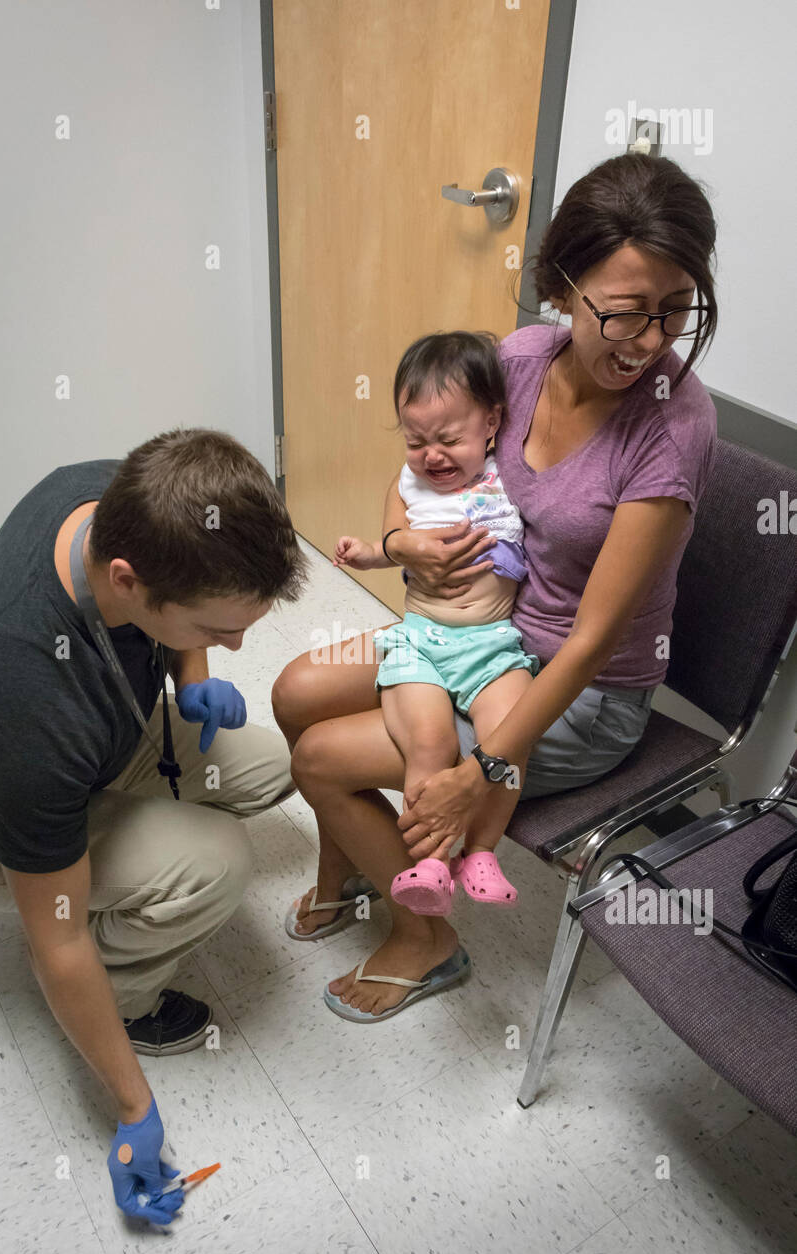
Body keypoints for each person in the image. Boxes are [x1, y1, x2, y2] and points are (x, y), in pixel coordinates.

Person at [273, 152, 719, 1023]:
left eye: (675, 310)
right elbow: (425, 468)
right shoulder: (516, 361)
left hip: (576, 689)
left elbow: (591, 641)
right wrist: (403, 543)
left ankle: (423, 942)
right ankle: (353, 874)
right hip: (473, 630)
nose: (653, 341)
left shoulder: (674, 428)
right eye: (626, 314)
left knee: (319, 758)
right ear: (562, 286)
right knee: (295, 690)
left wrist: (489, 765)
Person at [0, 428, 308, 1222]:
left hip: (103, 730)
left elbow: (178, 634)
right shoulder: (14, 691)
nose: (237, 644)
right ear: (128, 581)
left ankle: (140, 843)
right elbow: (56, 939)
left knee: (276, 765)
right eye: (216, 630)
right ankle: (130, 1002)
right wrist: (133, 1112)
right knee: (216, 860)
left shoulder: (120, 494)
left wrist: (194, 670)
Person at [331, 330, 539, 915]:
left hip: (495, 646)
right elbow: (388, 547)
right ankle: (428, 860)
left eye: (449, 438)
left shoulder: (512, 475)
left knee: (508, 741)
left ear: (492, 422)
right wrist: (370, 550)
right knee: (431, 742)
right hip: (422, 642)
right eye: (416, 439)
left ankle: (481, 852)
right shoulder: (408, 484)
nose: (432, 455)